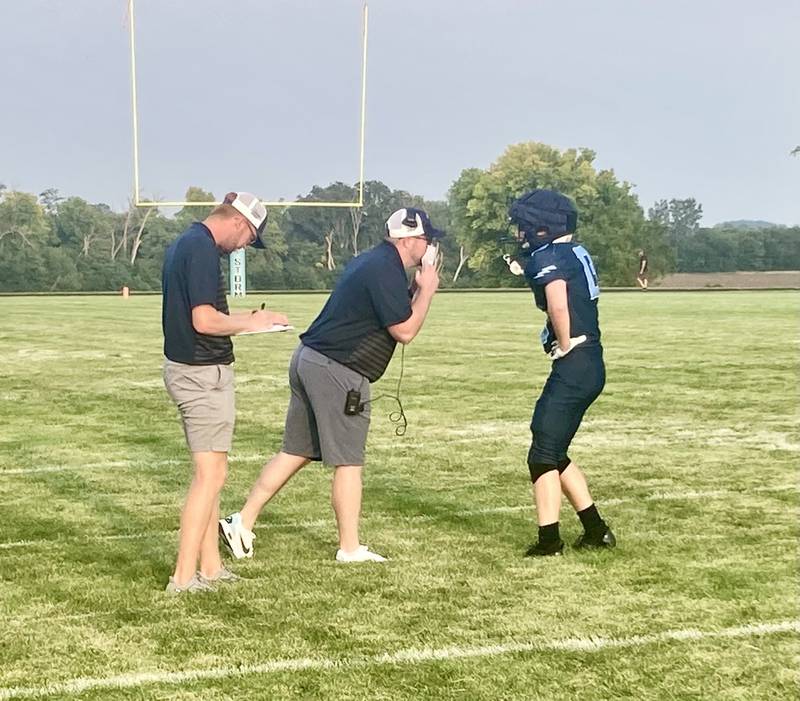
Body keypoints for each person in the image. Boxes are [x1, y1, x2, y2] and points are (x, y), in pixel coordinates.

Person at [220, 207, 442, 563]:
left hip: (310, 358)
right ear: (411, 240)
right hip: (338, 369)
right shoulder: (384, 269)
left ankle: (241, 522)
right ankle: (349, 548)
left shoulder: (373, 261)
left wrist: (417, 288)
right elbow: (405, 331)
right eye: (427, 241)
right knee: (349, 461)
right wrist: (427, 290)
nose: (430, 248)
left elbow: (399, 318)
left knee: (296, 451)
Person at [162, 191, 289, 593]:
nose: (246, 245)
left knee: (212, 475)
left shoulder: (188, 242)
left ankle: (211, 569)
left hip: (192, 369)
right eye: (251, 237)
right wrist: (254, 322)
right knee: (211, 475)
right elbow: (204, 320)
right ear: (238, 221)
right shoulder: (200, 248)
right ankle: (183, 578)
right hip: (201, 373)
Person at [506, 189, 615, 556]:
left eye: (525, 225)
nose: (521, 231)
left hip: (576, 361)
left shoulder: (550, 256)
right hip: (590, 361)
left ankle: (549, 540)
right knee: (554, 450)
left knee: (541, 453)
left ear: (542, 227)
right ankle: (596, 530)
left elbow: (557, 302)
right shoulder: (573, 252)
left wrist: (564, 341)